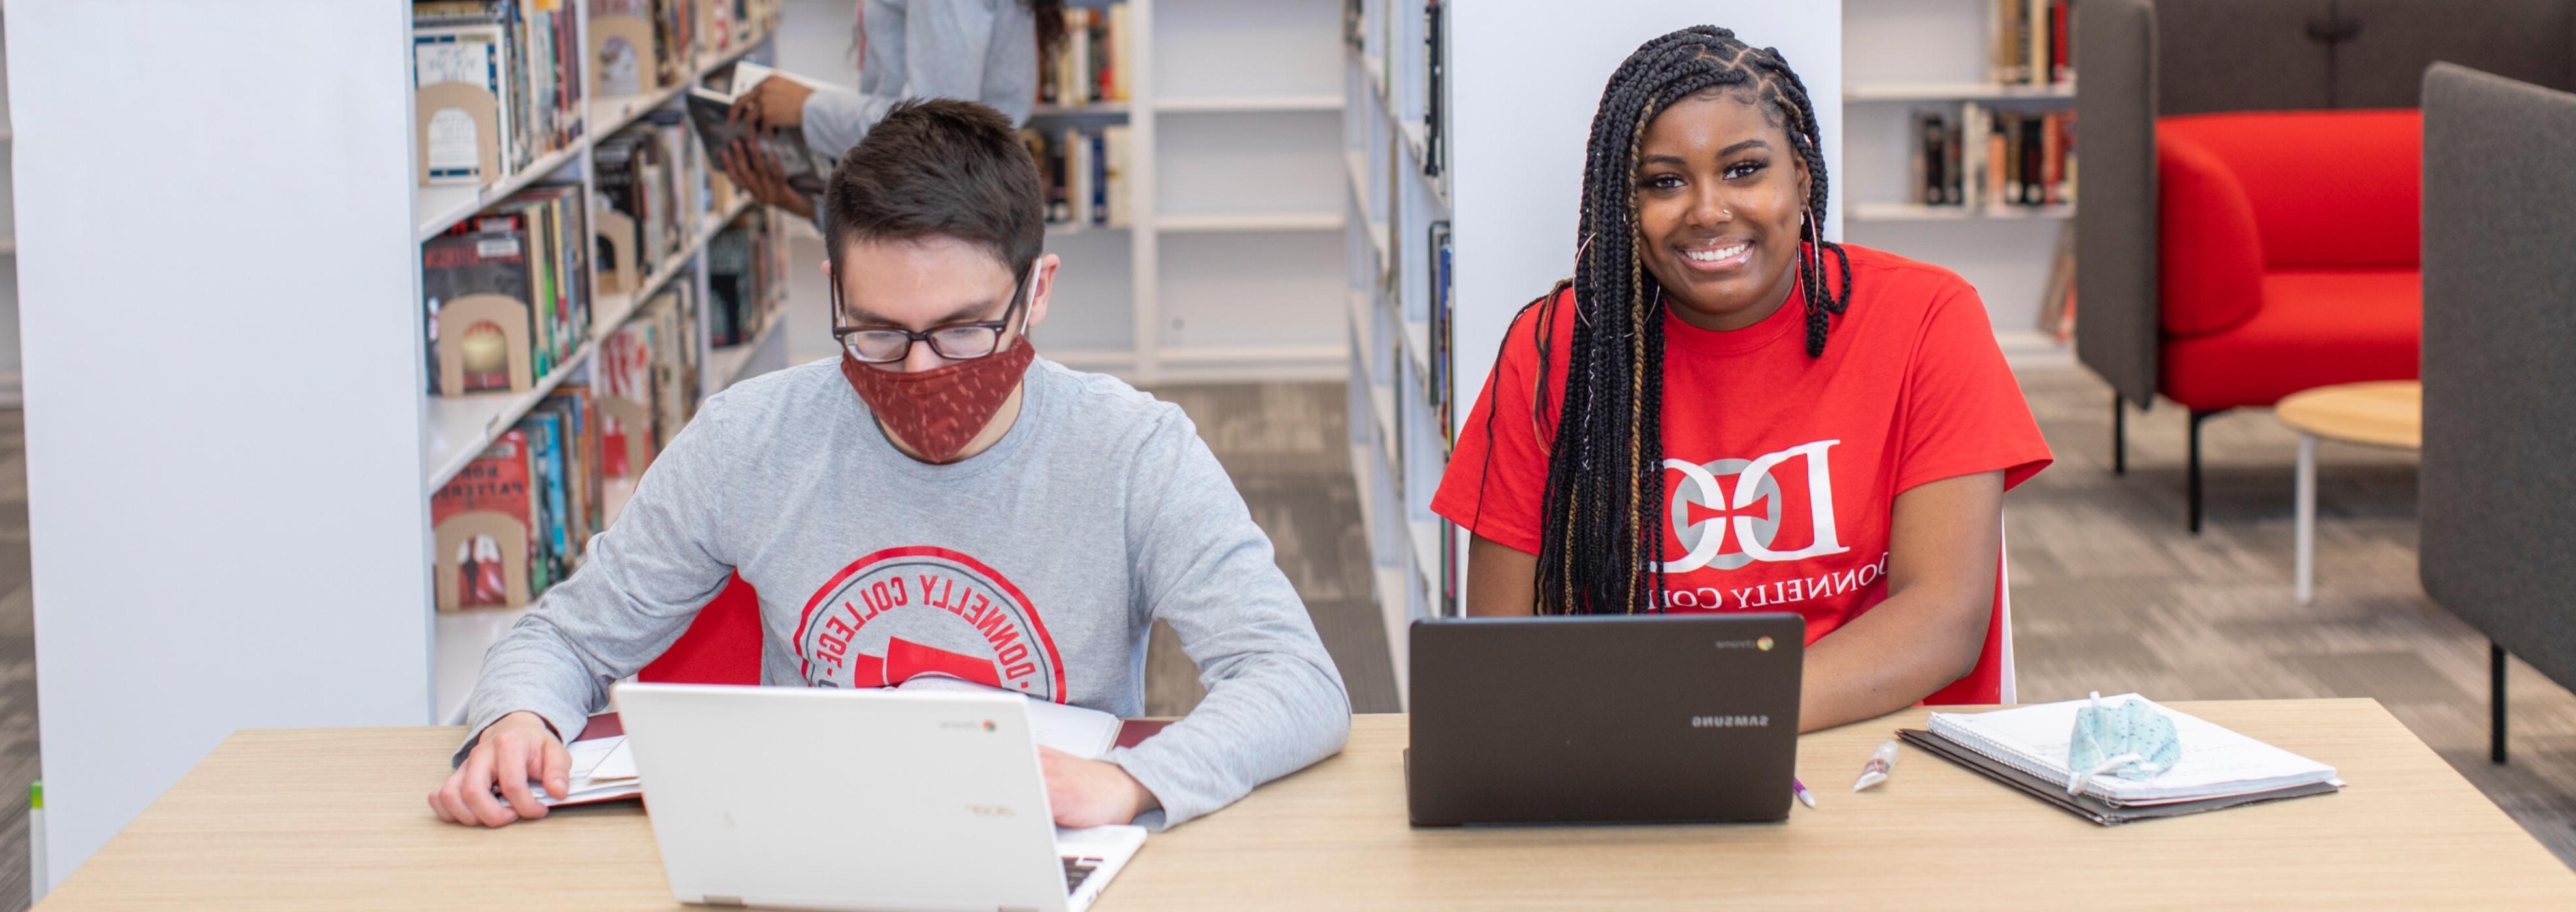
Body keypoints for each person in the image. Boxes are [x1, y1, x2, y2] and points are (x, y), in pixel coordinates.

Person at [429, 98, 1351, 829]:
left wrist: (1131, 783)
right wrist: (520, 718)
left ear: (1037, 293)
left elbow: (1295, 682)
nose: (917, 371)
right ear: (833, 290)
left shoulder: (1132, 451)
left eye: (960, 330)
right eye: (876, 331)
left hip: (1043, 847)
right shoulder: (747, 440)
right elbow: (566, 638)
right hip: (812, 845)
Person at [1431, 26, 2053, 732]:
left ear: (1802, 177)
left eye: (1742, 169)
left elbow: (1942, 617)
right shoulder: (1554, 352)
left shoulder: (1926, 317)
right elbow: (1502, 647)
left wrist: (1710, 716)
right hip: (1628, 757)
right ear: (1622, 207)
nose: (1706, 210)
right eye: (1663, 182)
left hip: (1864, 746)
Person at [720, 0, 1063, 221]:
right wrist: (811, 206)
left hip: (954, 219)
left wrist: (807, 107)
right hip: (954, 211)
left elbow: (935, 125)